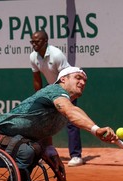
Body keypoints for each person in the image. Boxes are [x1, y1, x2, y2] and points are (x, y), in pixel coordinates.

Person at [0, 67, 118, 181]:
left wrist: (51, 151)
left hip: (15, 140)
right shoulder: (55, 91)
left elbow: (43, 128)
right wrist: (96, 129)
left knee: (36, 149)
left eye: (84, 80)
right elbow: (71, 111)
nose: (82, 82)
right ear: (63, 79)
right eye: (78, 78)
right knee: (29, 150)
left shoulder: (63, 104)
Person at [29, 30, 84, 167]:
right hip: (51, 86)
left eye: (37, 41)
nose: (34, 44)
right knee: (43, 118)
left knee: (71, 120)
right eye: (32, 42)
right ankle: (45, 152)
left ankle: (76, 156)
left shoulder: (56, 55)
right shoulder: (33, 56)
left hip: (66, 86)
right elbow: (37, 78)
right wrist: (39, 96)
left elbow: (67, 77)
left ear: (45, 41)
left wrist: (64, 95)